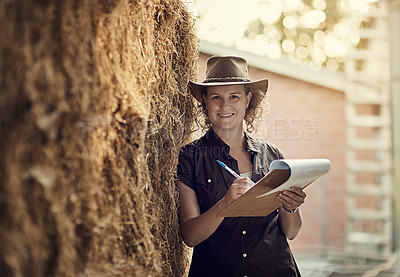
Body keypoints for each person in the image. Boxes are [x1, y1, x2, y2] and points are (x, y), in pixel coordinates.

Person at [177, 55, 306, 276]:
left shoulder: (272, 155)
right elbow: (190, 236)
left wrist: (290, 206)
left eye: (234, 96)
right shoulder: (189, 157)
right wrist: (225, 204)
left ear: (247, 100)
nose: (225, 105)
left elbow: (291, 232)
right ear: (205, 102)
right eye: (216, 97)